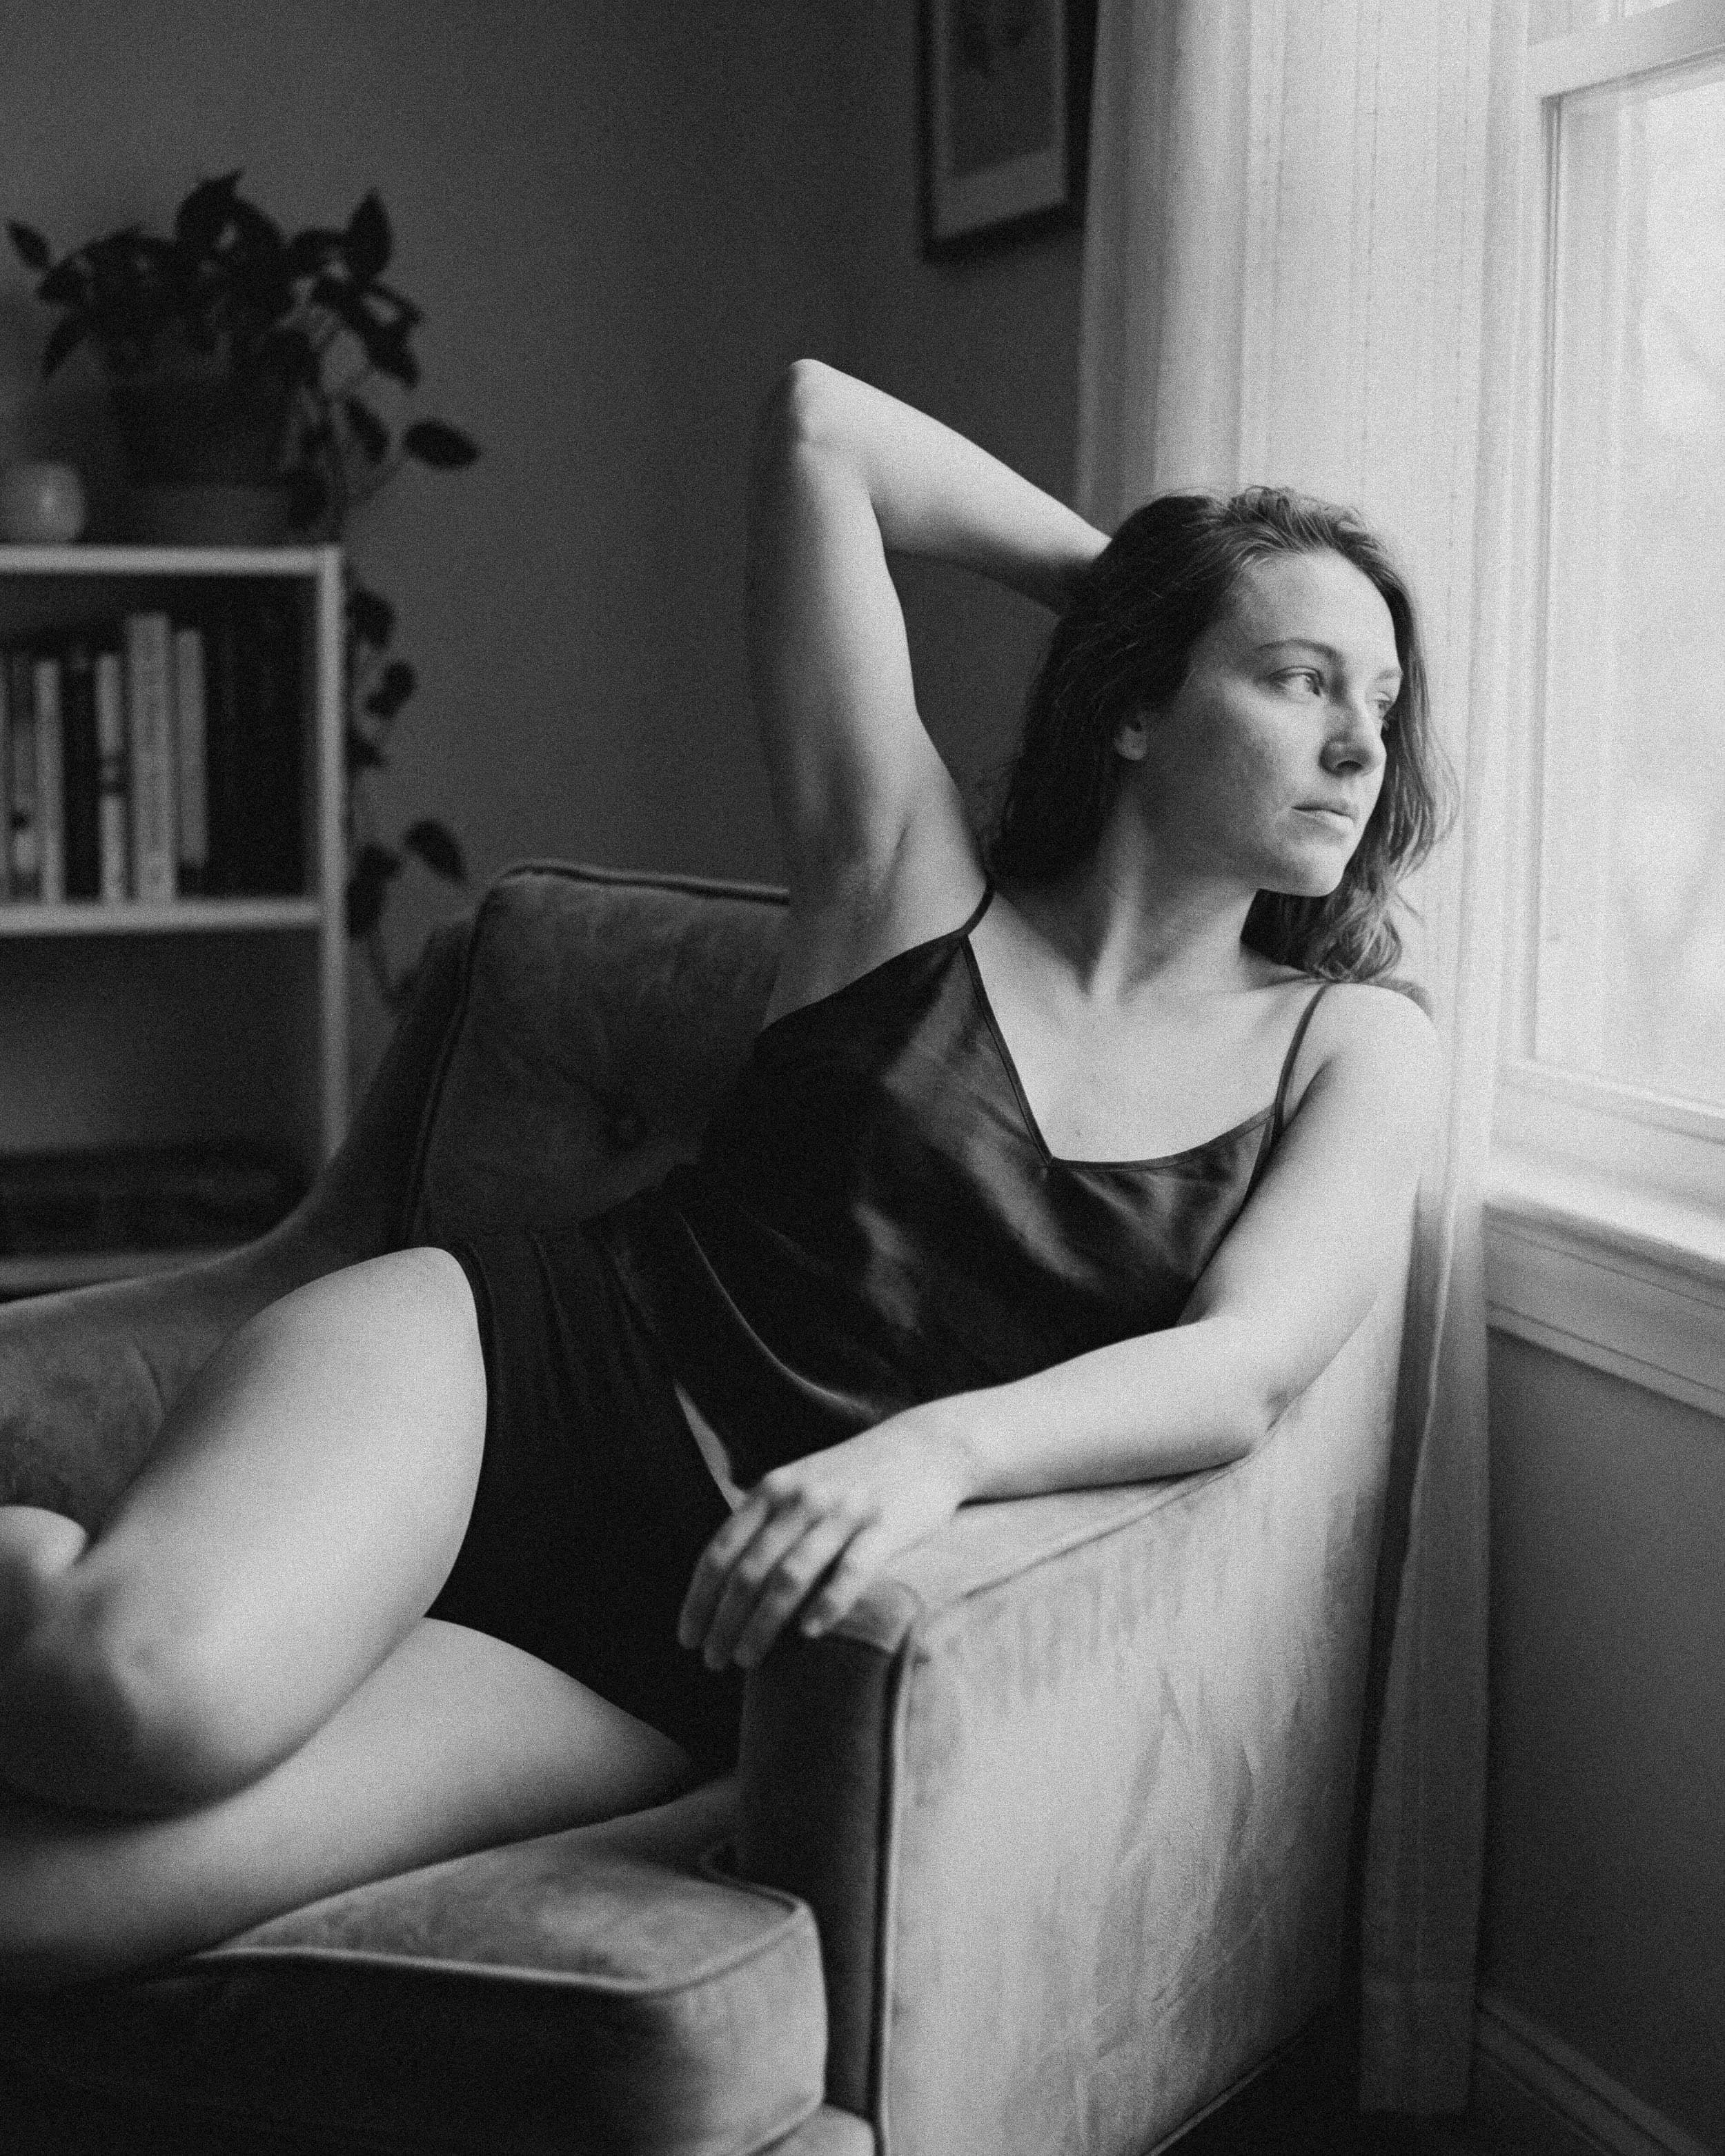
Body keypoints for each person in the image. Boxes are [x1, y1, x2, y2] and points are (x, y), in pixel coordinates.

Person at [0, 360, 1447, 1986]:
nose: (1354, 745)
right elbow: (821, 425)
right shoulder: (904, 882)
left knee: (37, 1916)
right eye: (1295, 679)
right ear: (1133, 703)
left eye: (1380, 705)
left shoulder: (1350, 1044)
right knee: (125, 1695)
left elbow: (1241, 1367)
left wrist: (932, 1456)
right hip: (509, 1379)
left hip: (682, 1647)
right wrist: (1139, 587)